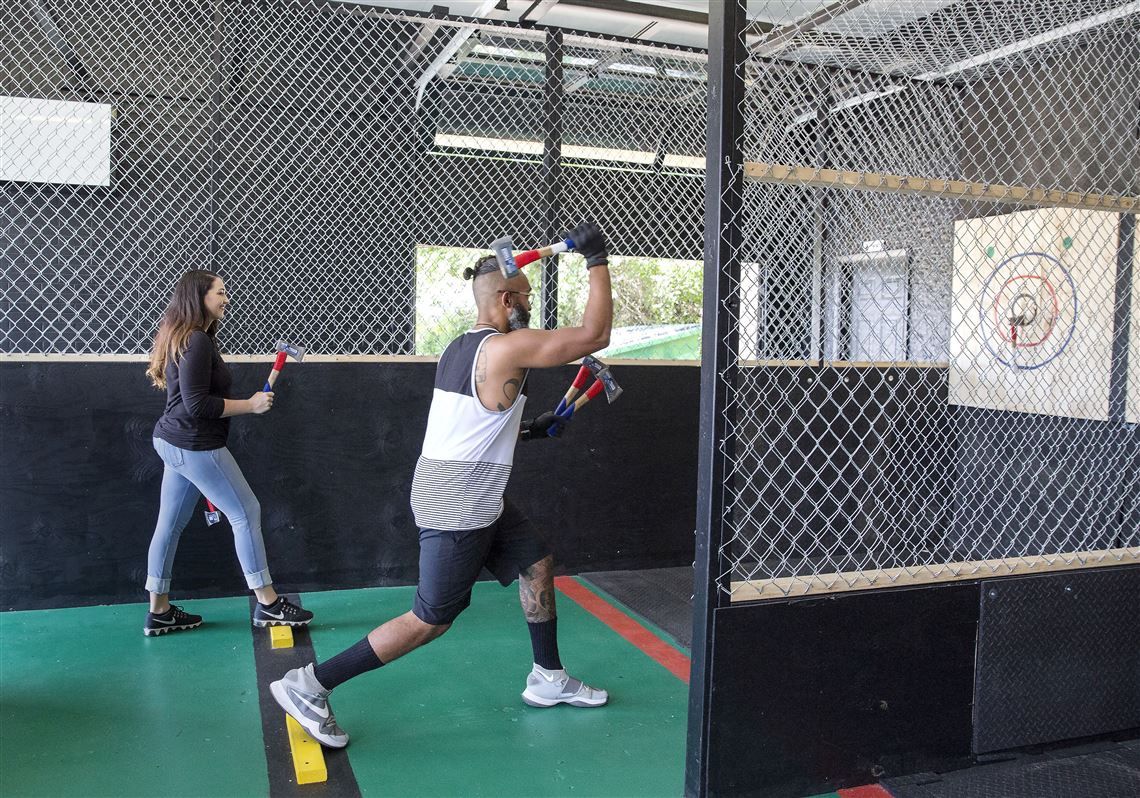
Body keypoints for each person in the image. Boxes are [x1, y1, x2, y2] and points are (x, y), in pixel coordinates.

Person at [270, 222, 613, 748]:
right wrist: (595, 258)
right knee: (431, 618)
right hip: (458, 502)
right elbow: (594, 337)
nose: (529, 304)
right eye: (524, 296)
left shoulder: (461, 347)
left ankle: (548, 676)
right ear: (504, 297)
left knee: (536, 561)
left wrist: (529, 428)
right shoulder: (505, 347)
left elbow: (469, 425)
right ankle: (310, 684)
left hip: (475, 491)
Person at [142, 269, 313, 636]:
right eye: (219, 292)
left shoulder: (187, 337)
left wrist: (247, 403)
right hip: (194, 444)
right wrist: (249, 405)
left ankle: (159, 611)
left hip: (173, 443)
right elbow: (197, 406)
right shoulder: (197, 340)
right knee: (246, 511)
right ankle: (268, 604)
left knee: (169, 524)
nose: (226, 298)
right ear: (199, 297)